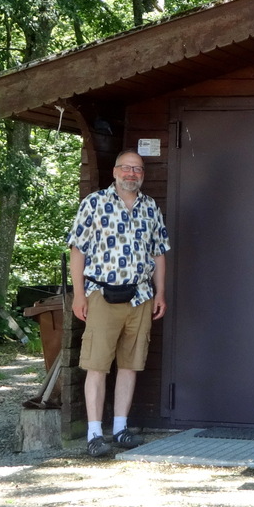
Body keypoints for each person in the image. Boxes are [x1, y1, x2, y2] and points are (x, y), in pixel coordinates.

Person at [67, 149, 170, 457]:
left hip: (140, 296)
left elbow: (159, 253)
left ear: (142, 175)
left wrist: (159, 293)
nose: (131, 174)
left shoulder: (150, 207)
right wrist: (79, 294)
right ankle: (94, 433)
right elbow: (77, 250)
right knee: (96, 365)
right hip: (101, 294)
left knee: (130, 364)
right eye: (126, 168)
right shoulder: (94, 203)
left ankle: (121, 428)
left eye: (137, 169)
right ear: (114, 172)